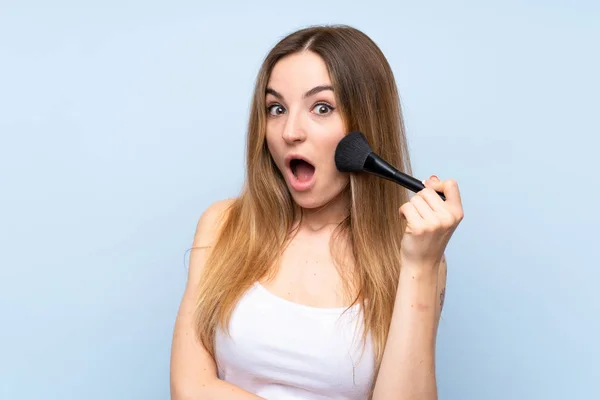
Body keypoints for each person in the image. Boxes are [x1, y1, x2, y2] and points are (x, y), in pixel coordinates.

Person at [170, 24, 464, 400]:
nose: (290, 131)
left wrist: (421, 268)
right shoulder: (223, 224)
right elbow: (188, 388)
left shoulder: (418, 258)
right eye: (276, 108)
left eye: (321, 108)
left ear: (366, 127)